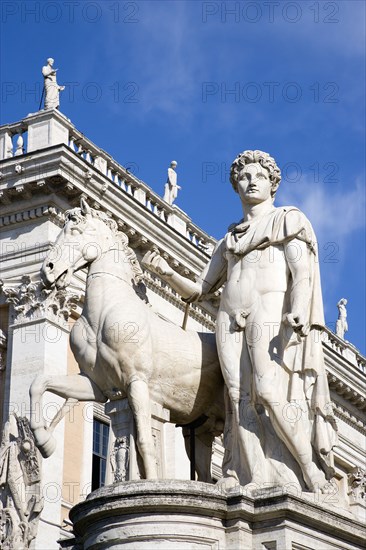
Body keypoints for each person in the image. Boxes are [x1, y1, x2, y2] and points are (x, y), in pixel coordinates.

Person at [143, 150, 338, 492]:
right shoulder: (229, 239)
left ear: (272, 184)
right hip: (228, 317)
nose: (251, 182)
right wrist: (167, 272)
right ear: (236, 186)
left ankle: (309, 469)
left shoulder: (286, 220)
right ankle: (254, 475)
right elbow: (202, 289)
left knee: (266, 389)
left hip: (269, 310)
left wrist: (298, 306)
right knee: (236, 399)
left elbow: (302, 271)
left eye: (258, 177)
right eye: (244, 178)